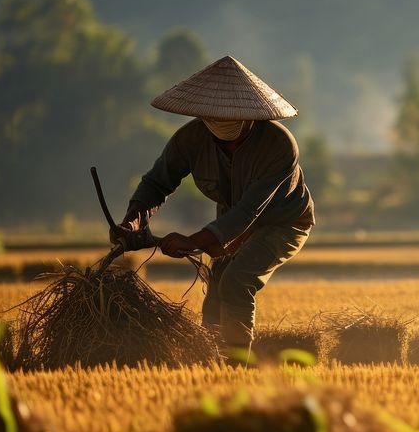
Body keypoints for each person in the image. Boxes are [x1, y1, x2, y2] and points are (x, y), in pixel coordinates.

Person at [111, 56, 314, 355]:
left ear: (251, 118)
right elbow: (156, 183)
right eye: (221, 141)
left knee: (237, 279)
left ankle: (236, 362)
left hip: (282, 222)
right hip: (229, 220)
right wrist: (133, 222)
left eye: (235, 136)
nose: (228, 146)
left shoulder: (279, 145)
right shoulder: (189, 140)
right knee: (217, 282)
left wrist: (193, 242)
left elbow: (249, 212)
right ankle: (209, 356)